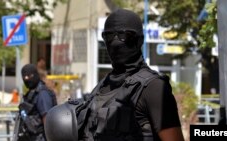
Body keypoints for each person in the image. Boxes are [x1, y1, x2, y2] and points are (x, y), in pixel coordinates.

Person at [45, 8, 184, 141]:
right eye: (110, 36)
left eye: (125, 36)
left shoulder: (154, 87)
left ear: (139, 40)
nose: (116, 42)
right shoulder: (103, 85)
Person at [16, 64, 57, 141]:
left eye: (29, 76)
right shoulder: (31, 93)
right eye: (24, 77)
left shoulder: (42, 94)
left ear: (35, 75)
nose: (26, 79)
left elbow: (47, 119)